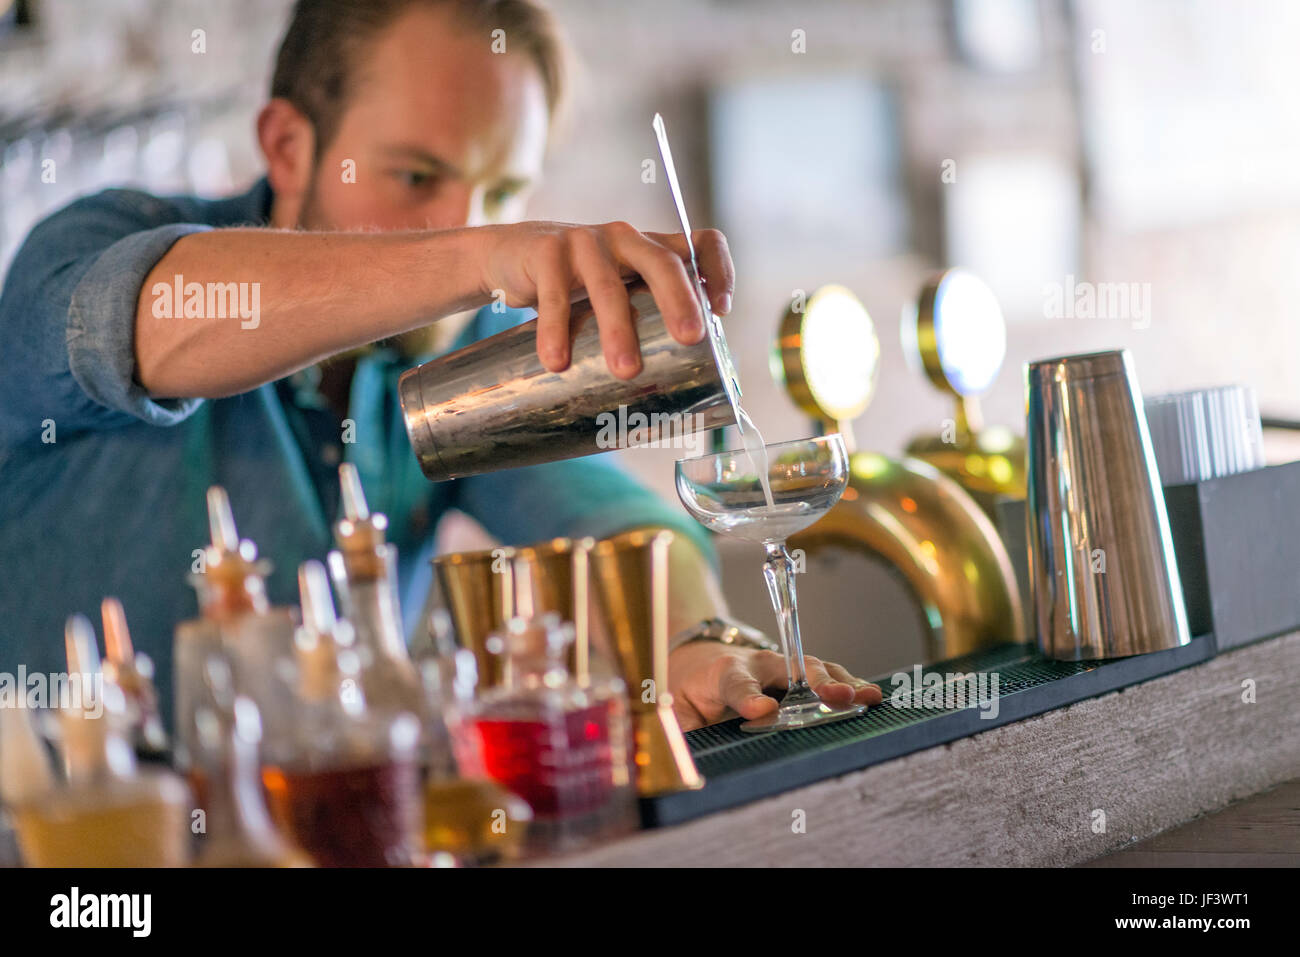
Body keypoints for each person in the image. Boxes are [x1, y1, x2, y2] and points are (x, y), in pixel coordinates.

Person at [0, 0, 881, 730]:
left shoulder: (456, 354)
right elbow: (145, 327)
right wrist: (477, 252)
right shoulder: (85, 244)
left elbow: (609, 518)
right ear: (287, 147)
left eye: (503, 192)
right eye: (418, 177)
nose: (465, 218)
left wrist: (694, 635)